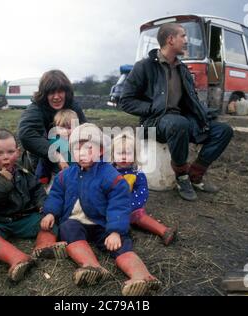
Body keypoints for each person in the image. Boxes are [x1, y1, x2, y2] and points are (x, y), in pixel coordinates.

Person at [40, 123, 161, 296]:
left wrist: (116, 231)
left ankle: (142, 276)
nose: (82, 153)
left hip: (103, 222)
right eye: (77, 148)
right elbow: (57, 195)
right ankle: (91, 267)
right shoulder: (66, 174)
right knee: (68, 228)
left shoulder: (109, 175)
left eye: (89, 148)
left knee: (120, 246)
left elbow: (119, 203)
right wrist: (50, 212)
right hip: (77, 222)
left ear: (101, 150)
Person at [120, 23, 233, 201]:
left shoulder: (183, 70)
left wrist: (204, 114)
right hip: (154, 122)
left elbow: (192, 101)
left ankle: (195, 174)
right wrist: (151, 108)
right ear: (170, 40)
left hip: (181, 120)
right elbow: (125, 101)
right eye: (183, 36)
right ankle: (181, 176)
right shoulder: (144, 67)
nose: (187, 41)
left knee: (223, 130)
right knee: (178, 123)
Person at [0, 129, 67, 282]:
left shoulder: (23, 172)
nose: (6, 157)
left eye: (10, 152)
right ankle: (17, 258)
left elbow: (37, 191)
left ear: (17, 151)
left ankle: (43, 246)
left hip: (23, 218)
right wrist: (0, 183)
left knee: (51, 218)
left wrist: (44, 208)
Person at [18, 70, 87, 176]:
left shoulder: (73, 106)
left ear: (66, 92)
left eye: (60, 91)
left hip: (72, 153)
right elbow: (26, 134)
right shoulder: (35, 109)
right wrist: (57, 156)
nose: (56, 97)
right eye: (51, 92)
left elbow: (86, 129)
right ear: (44, 94)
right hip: (43, 158)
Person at [112, 132, 176, 245]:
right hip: (110, 208)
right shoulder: (108, 172)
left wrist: (129, 206)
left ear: (135, 155)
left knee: (139, 214)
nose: (123, 156)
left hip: (130, 208)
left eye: (128, 153)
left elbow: (142, 193)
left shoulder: (137, 174)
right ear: (112, 154)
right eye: (120, 153)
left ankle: (164, 231)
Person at [35, 109, 80, 185]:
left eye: (69, 128)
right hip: (58, 175)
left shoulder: (80, 141)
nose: (65, 131)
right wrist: (41, 177)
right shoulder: (54, 141)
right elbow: (43, 161)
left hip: (77, 175)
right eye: (61, 128)